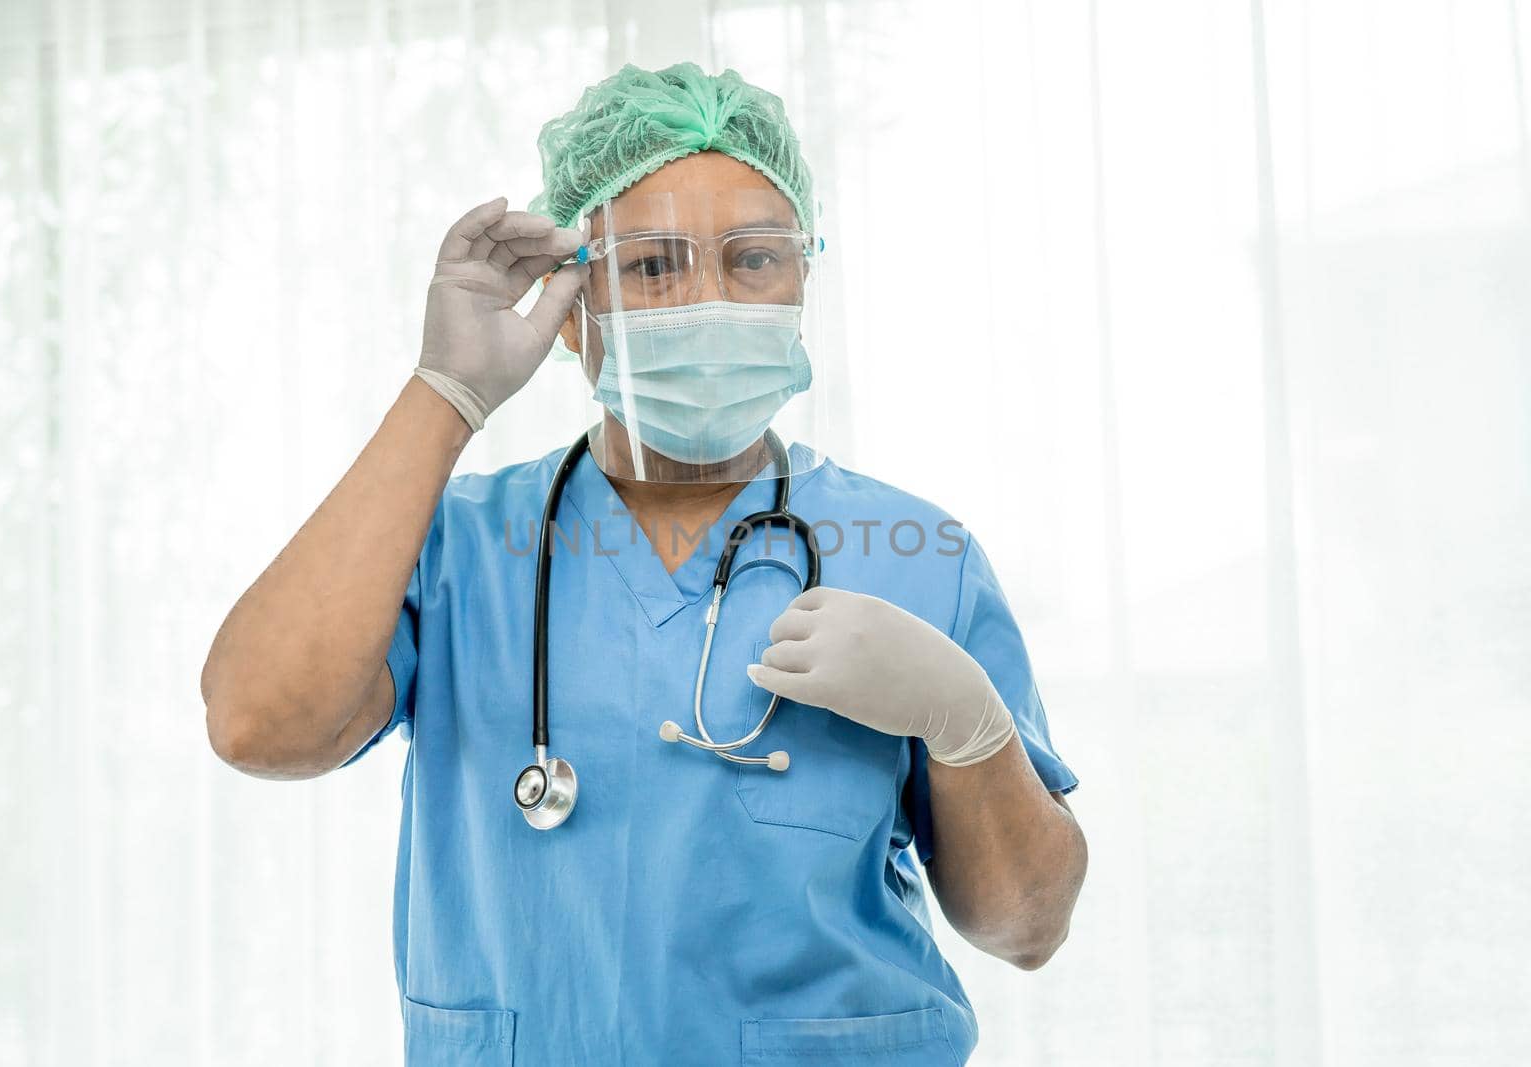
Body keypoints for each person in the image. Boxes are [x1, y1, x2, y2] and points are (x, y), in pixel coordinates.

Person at [202, 61, 1087, 1067]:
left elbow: (1026, 927)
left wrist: (966, 723)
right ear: (573, 309)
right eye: (654, 265)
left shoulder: (918, 554)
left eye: (754, 258)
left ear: (802, 279)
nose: (710, 299)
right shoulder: (456, 547)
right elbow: (258, 722)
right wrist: (444, 391)